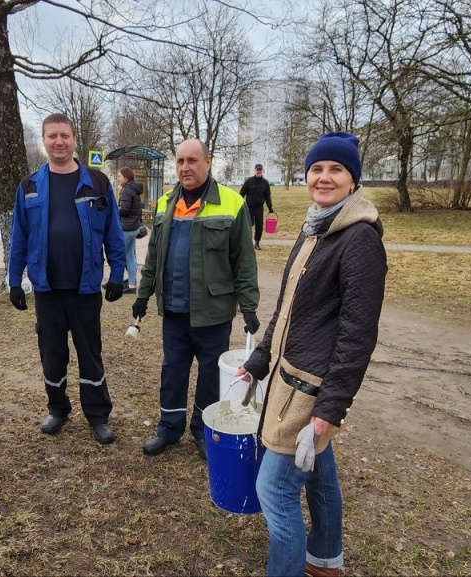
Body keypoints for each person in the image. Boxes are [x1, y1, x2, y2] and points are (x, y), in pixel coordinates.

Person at [235, 132, 387, 577]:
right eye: (317, 169)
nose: (324, 177)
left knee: (276, 491)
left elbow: (358, 335)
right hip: (289, 377)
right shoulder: (316, 227)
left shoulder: (358, 239)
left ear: (353, 180)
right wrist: (260, 359)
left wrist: (330, 407)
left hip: (309, 391)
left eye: (336, 169)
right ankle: (325, 562)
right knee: (320, 476)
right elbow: (285, 312)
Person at [132, 139, 260, 460]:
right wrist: (142, 297)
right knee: (172, 369)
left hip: (213, 312)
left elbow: (243, 261)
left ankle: (204, 431)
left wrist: (249, 308)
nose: (185, 167)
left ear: (208, 161)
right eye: (180, 161)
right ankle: (169, 428)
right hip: (174, 310)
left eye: (192, 160)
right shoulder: (164, 204)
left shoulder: (232, 203)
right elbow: (153, 259)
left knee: (208, 374)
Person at [8, 112, 126, 445]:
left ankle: (98, 415)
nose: (59, 142)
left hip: (85, 287)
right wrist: (14, 281)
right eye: (52, 136)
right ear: (44, 141)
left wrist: (117, 275)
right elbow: (19, 237)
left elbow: (113, 234)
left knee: (90, 352)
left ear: (74, 139)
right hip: (47, 289)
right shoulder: (29, 186)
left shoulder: (98, 183)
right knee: (52, 352)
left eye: (65, 136)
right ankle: (58, 409)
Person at [117, 167, 145, 294]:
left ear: (126, 178)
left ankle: (119, 283)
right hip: (133, 226)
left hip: (126, 227)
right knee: (130, 257)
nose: (118, 178)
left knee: (120, 255)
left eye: (119, 176)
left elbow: (124, 209)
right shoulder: (133, 188)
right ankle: (131, 284)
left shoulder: (127, 190)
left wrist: (113, 210)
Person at [240, 163, 273, 249]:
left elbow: (267, 196)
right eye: (257, 170)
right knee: (248, 225)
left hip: (259, 208)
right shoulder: (249, 181)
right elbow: (242, 193)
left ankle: (257, 243)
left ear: (262, 171)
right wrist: (241, 204)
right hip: (249, 207)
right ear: (255, 171)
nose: (259, 171)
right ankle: (246, 243)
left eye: (260, 170)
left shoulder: (265, 183)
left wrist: (270, 207)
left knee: (259, 227)